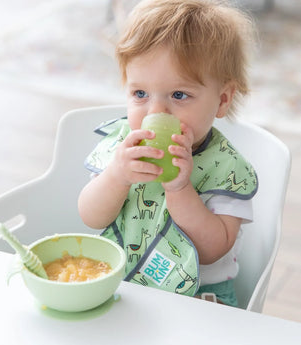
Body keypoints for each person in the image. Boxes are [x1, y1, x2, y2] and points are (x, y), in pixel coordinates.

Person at [78, 0, 258, 306]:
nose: (156, 110)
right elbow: (91, 217)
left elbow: (214, 248)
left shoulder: (227, 169)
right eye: (140, 94)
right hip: (123, 282)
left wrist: (180, 189)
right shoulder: (124, 148)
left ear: (222, 99)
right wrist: (116, 177)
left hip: (200, 299)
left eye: (179, 95)